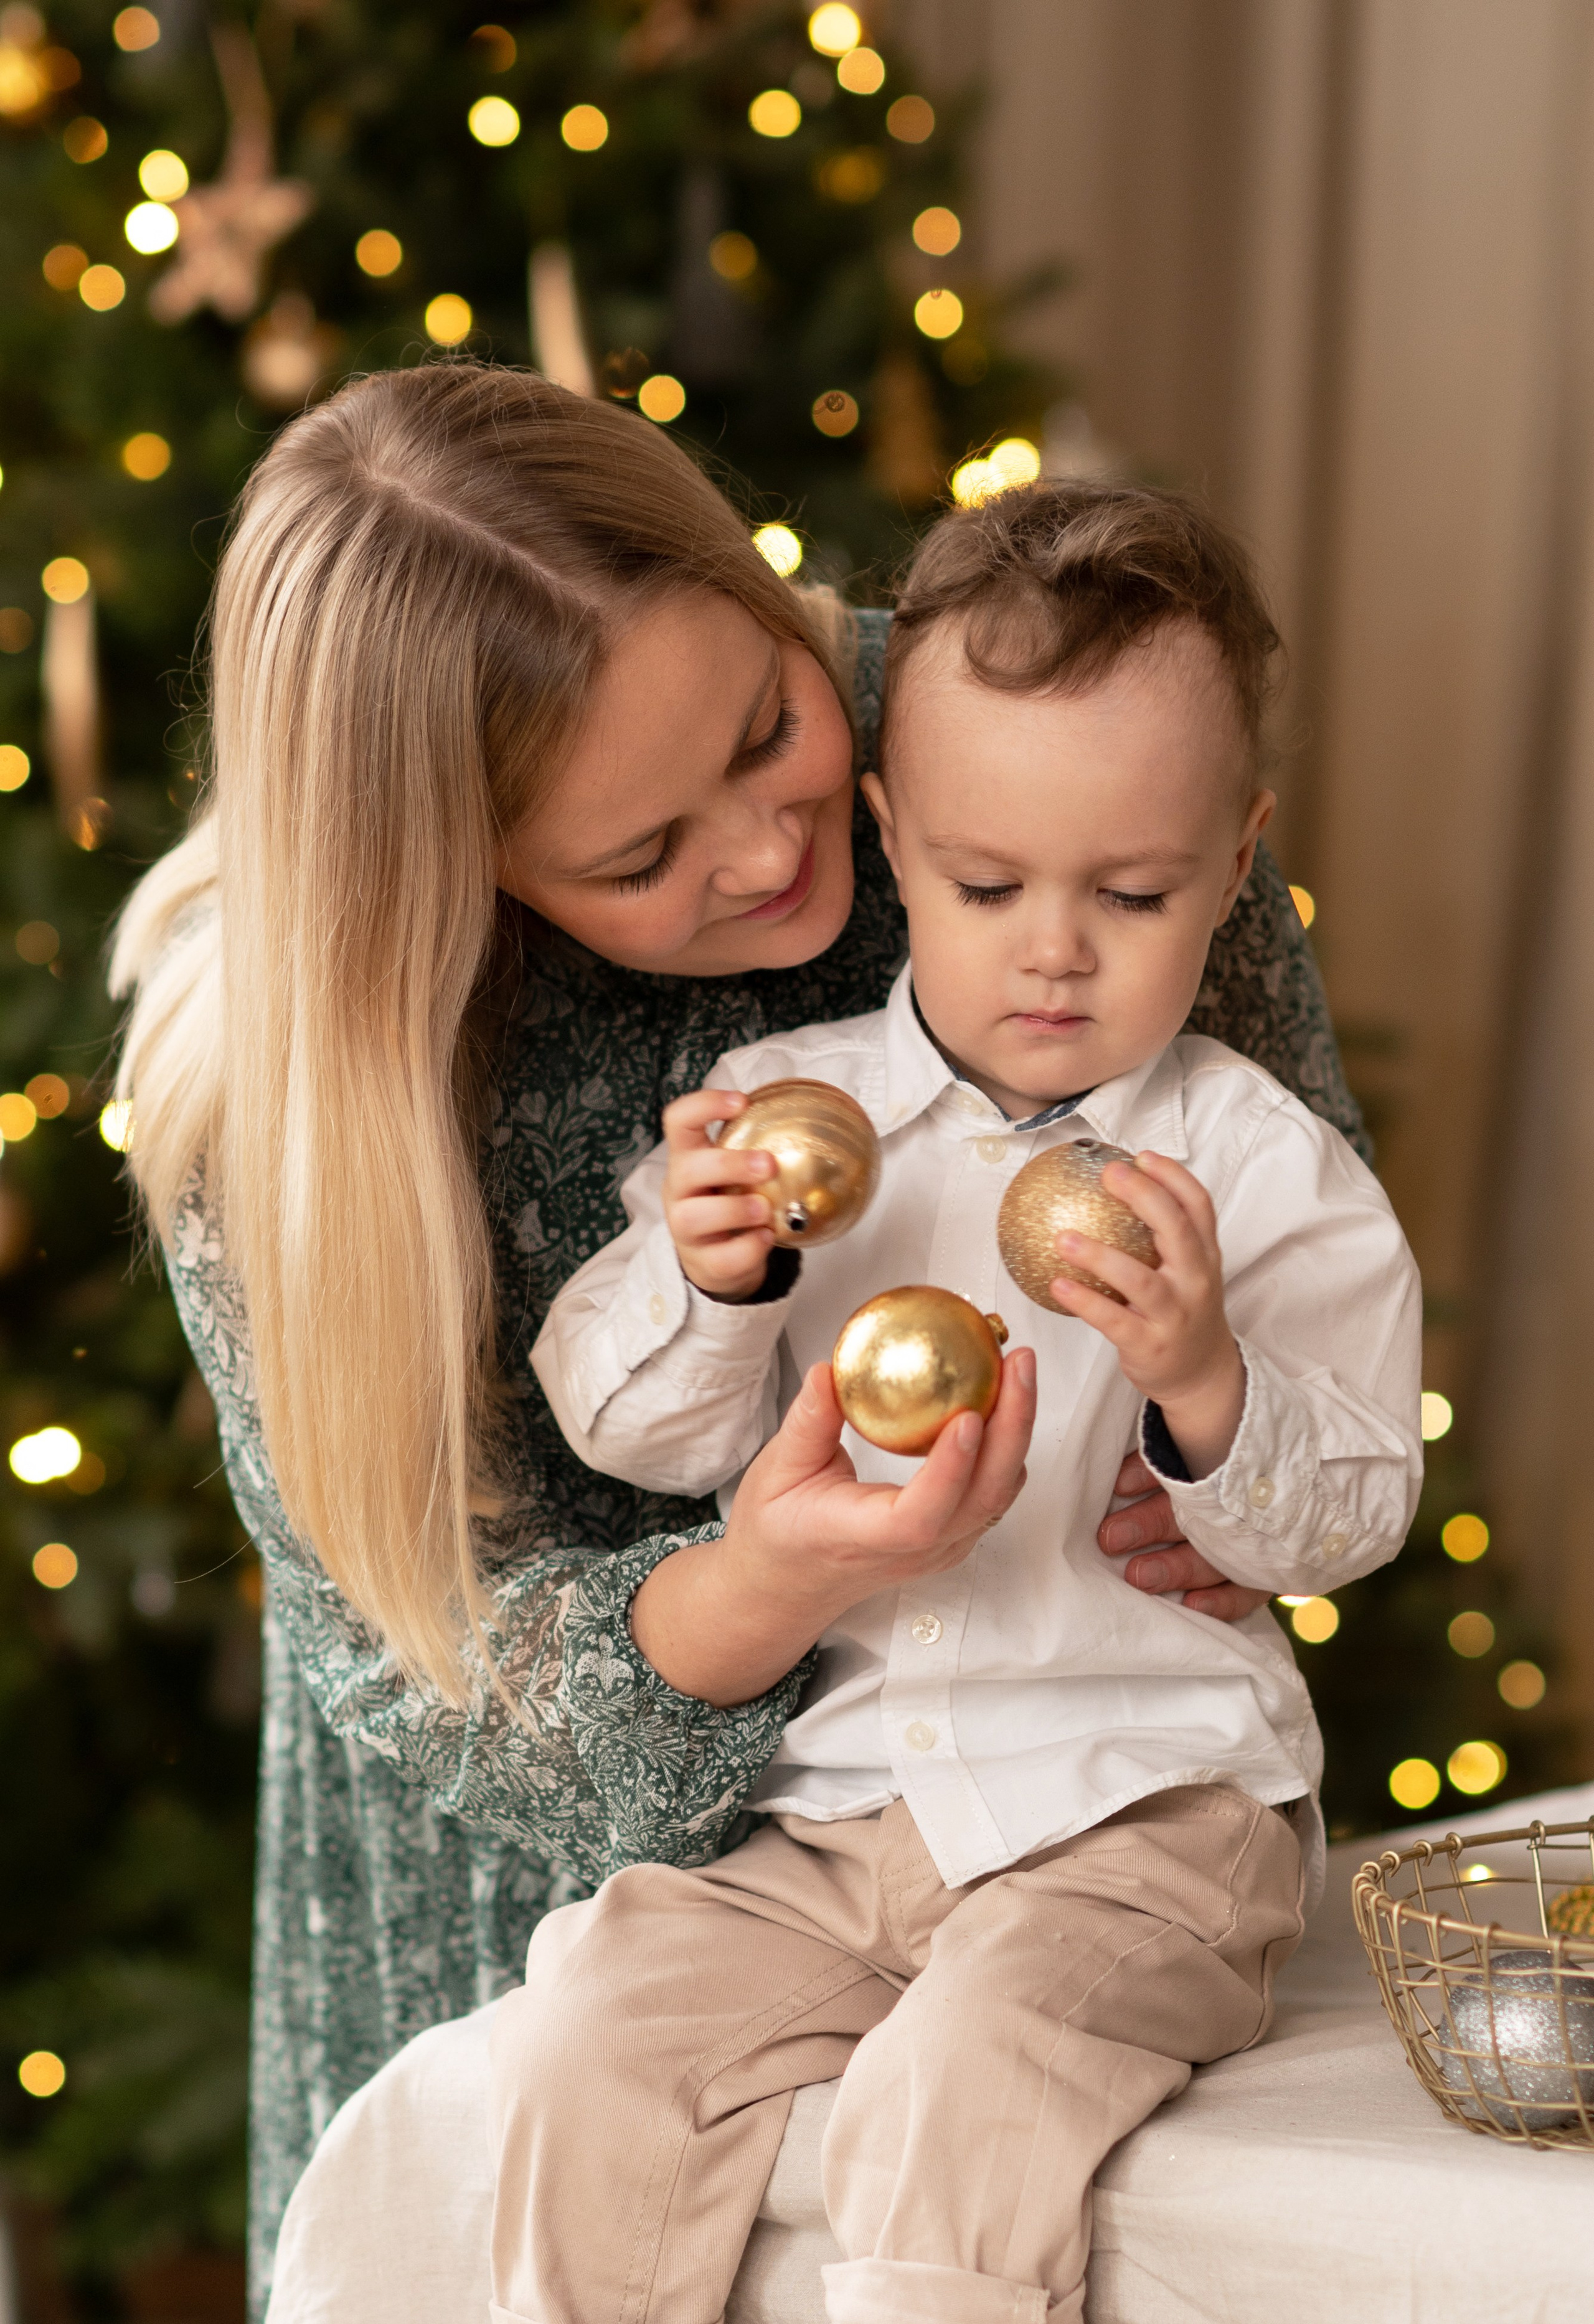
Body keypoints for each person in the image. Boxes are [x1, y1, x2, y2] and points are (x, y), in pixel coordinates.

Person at [107, 365, 1365, 2313]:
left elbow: (1286, 1218)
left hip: (1076, 1774)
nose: (772, 854)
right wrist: (752, 1587)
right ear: (472, 888)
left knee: (976, 2115)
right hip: (536, 1873)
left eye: (771, 725)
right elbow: (439, 1650)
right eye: (636, 858)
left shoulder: (1029, 736)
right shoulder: (282, 1087)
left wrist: (1225, 1423)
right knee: (552, 2126)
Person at [494, 481, 1423, 2324]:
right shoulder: (782, 1118)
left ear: (1236, 866)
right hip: (832, 1822)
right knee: (594, 2028)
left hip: (1149, 1816)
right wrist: (708, 1279)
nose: (1056, 950)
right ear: (896, 842)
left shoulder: (1257, 1166)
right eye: (991, 886)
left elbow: (1353, 1518)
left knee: (951, 2086)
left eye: (1133, 892)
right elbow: (634, 1436)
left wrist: (1206, 1385)